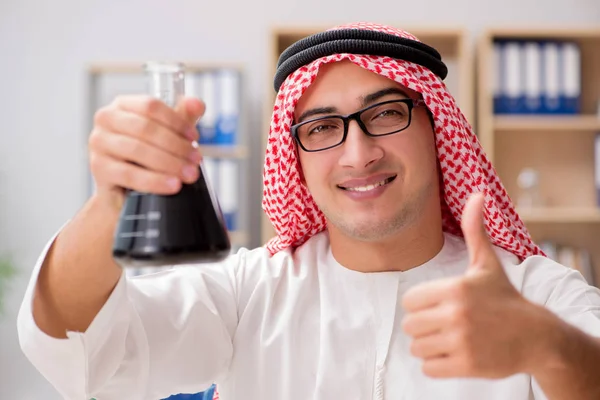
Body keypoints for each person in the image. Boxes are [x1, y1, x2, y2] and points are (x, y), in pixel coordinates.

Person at [16, 22, 600, 400]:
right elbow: (82, 349)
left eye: (387, 113)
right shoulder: (246, 294)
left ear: (438, 131)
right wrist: (114, 199)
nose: (358, 152)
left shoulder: (535, 295)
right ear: (293, 157)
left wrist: (545, 347)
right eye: (321, 128)